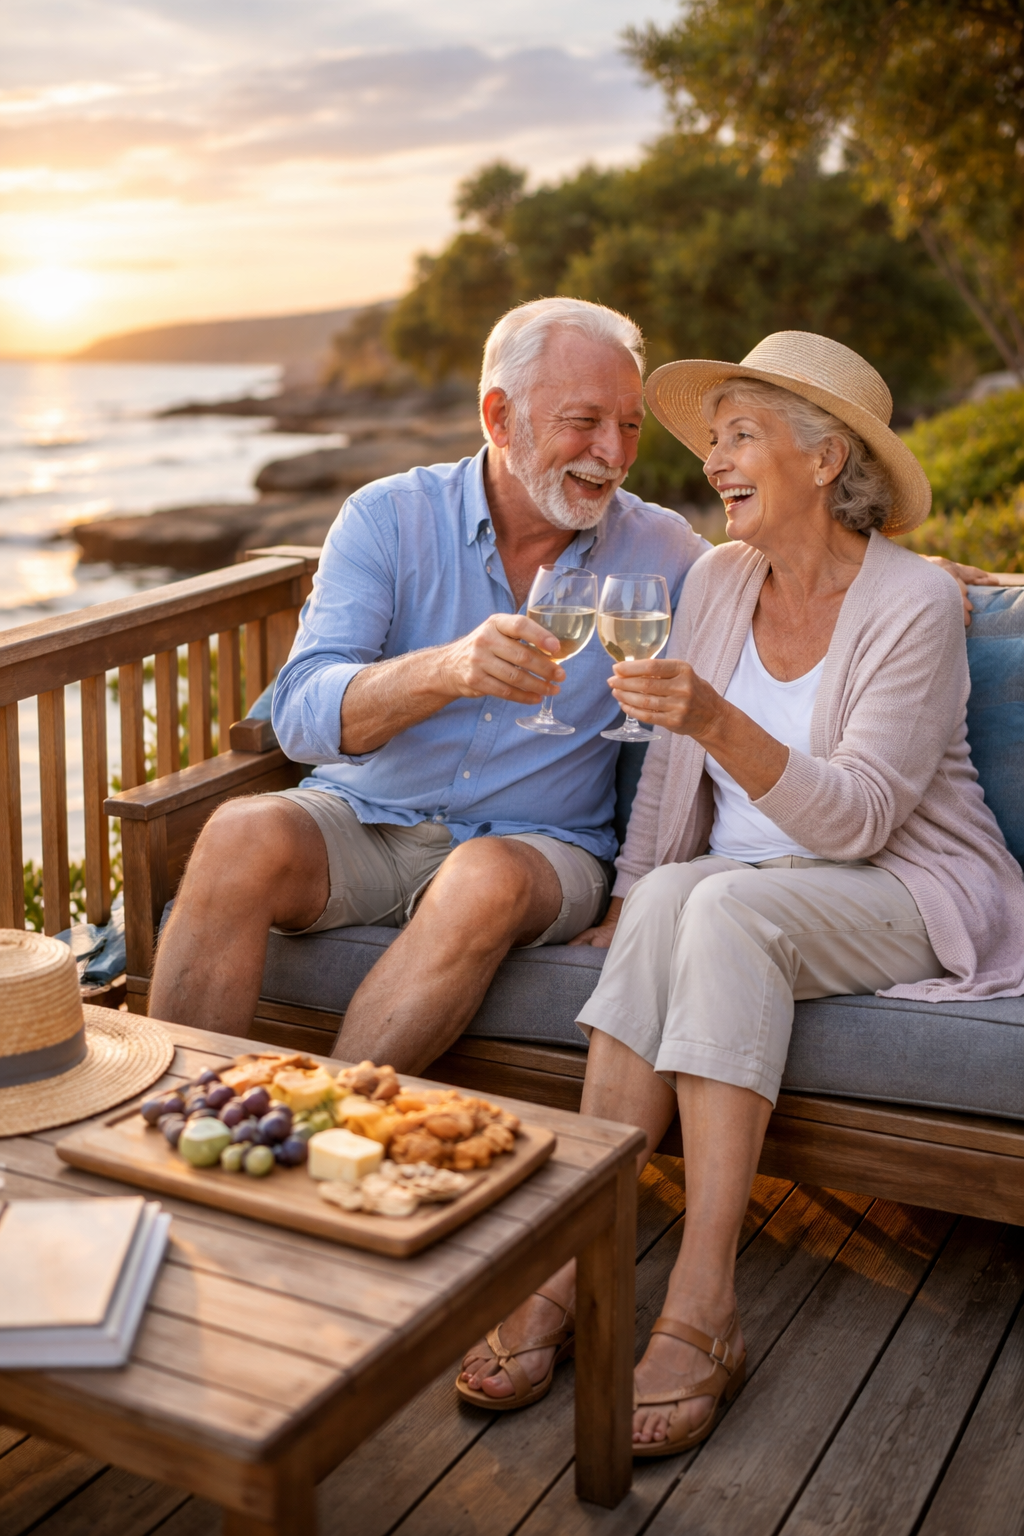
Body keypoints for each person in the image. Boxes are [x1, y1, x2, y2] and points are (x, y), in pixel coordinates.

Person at [457, 330, 1024, 1457]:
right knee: (679, 900)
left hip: (908, 885)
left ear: (824, 460)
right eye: (713, 440)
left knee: (715, 902)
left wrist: (715, 716)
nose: (714, 459)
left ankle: (704, 1305)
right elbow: (668, 773)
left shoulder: (912, 603)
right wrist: (626, 902)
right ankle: (580, 1261)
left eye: (742, 436)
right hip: (750, 892)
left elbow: (860, 819)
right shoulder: (716, 579)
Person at [148, 298, 711, 1062]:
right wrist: (448, 670)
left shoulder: (666, 549)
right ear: (498, 415)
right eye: (584, 421)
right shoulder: (386, 518)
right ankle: (179, 1119)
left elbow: (776, 595)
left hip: (541, 849)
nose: (611, 453)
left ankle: (338, 1124)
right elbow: (302, 715)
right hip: (366, 817)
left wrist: (920, 583)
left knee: (482, 877)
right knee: (240, 831)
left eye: (630, 425)